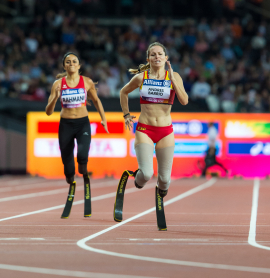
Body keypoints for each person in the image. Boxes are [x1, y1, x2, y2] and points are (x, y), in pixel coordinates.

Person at [120, 42, 188, 197]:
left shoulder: (174, 76)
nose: (157, 56)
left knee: (164, 180)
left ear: (166, 58)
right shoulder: (141, 77)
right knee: (146, 174)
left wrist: (173, 80)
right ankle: (139, 179)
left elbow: (184, 101)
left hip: (165, 132)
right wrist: (126, 114)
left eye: (160, 54)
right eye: (153, 54)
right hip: (145, 129)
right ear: (148, 59)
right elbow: (123, 92)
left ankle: (162, 188)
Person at [45, 52, 108, 184]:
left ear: (79, 65)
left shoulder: (87, 82)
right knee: (67, 165)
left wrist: (104, 119)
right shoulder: (57, 84)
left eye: (74, 61)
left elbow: (96, 101)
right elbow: (48, 112)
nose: (71, 64)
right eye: (68, 62)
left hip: (82, 123)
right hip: (65, 125)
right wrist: (55, 98)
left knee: (82, 155)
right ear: (64, 66)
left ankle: (84, 173)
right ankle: (70, 178)